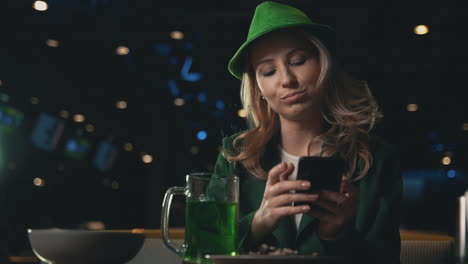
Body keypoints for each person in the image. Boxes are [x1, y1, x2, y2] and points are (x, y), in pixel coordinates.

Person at [213, 1, 402, 263]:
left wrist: (337, 235)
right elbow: (203, 249)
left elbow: (386, 259)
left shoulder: (377, 159)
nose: (286, 80)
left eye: (299, 61)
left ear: (324, 66)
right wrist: (259, 222)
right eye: (268, 71)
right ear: (259, 90)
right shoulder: (235, 156)